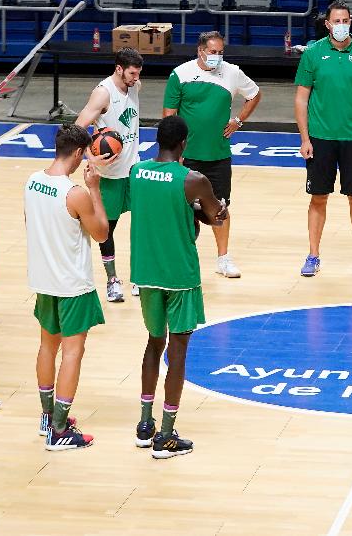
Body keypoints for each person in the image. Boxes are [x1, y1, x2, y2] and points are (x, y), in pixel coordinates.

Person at [131, 115, 225, 459]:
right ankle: (166, 435)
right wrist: (213, 210)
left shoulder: (137, 172)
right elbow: (216, 216)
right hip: (180, 276)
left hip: (145, 271)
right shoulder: (194, 180)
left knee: (153, 344)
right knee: (178, 351)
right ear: (184, 143)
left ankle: (145, 425)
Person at [26, 124, 109, 451]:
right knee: (73, 352)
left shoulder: (32, 181)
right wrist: (95, 189)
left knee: (48, 346)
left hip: (43, 279)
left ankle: (47, 417)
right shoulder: (74, 193)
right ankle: (60, 430)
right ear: (77, 153)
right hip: (72, 284)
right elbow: (102, 233)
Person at [294, 2, 352, 278]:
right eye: (337, 20)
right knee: (318, 197)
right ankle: (313, 255)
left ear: (350, 22)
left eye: (346, 19)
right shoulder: (313, 53)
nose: (342, 24)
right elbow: (301, 97)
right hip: (320, 138)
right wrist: (304, 138)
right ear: (328, 24)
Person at [163, 31, 261, 279]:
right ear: (200, 51)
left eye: (220, 52)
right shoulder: (180, 74)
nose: (217, 56)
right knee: (180, 211)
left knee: (220, 208)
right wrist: (174, 153)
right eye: (212, 52)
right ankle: (178, 260)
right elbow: (169, 116)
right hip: (187, 157)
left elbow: (254, 94)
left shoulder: (232, 72)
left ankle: (223, 259)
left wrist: (238, 120)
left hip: (218, 155)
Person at [77, 47, 144, 301]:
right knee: (107, 230)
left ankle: (140, 276)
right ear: (118, 69)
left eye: (138, 74)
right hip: (109, 176)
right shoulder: (102, 94)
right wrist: (89, 156)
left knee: (143, 226)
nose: (136, 78)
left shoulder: (134, 85)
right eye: (132, 73)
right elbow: (78, 127)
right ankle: (112, 280)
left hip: (134, 171)